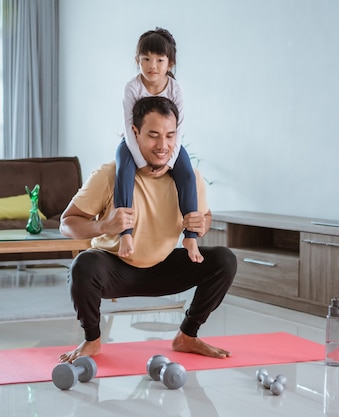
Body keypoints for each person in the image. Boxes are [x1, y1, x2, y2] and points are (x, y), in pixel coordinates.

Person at [59, 96, 237, 363]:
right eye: (153, 136)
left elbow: (206, 215)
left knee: (224, 260)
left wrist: (202, 224)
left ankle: (187, 335)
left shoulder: (190, 178)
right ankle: (92, 340)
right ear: (135, 133)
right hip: (114, 268)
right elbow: (67, 223)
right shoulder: (109, 174)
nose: (163, 145)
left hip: (163, 266)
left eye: (170, 135)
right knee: (84, 265)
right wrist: (103, 225)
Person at [115, 27, 202, 263]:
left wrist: (169, 161)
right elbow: (128, 126)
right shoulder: (132, 87)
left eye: (159, 60)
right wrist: (142, 163)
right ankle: (125, 233)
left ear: (170, 63)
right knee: (123, 170)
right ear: (137, 60)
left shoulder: (176, 89)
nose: (152, 65)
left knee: (187, 176)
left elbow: (179, 129)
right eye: (146, 59)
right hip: (134, 141)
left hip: (169, 146)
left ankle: (191, 236)